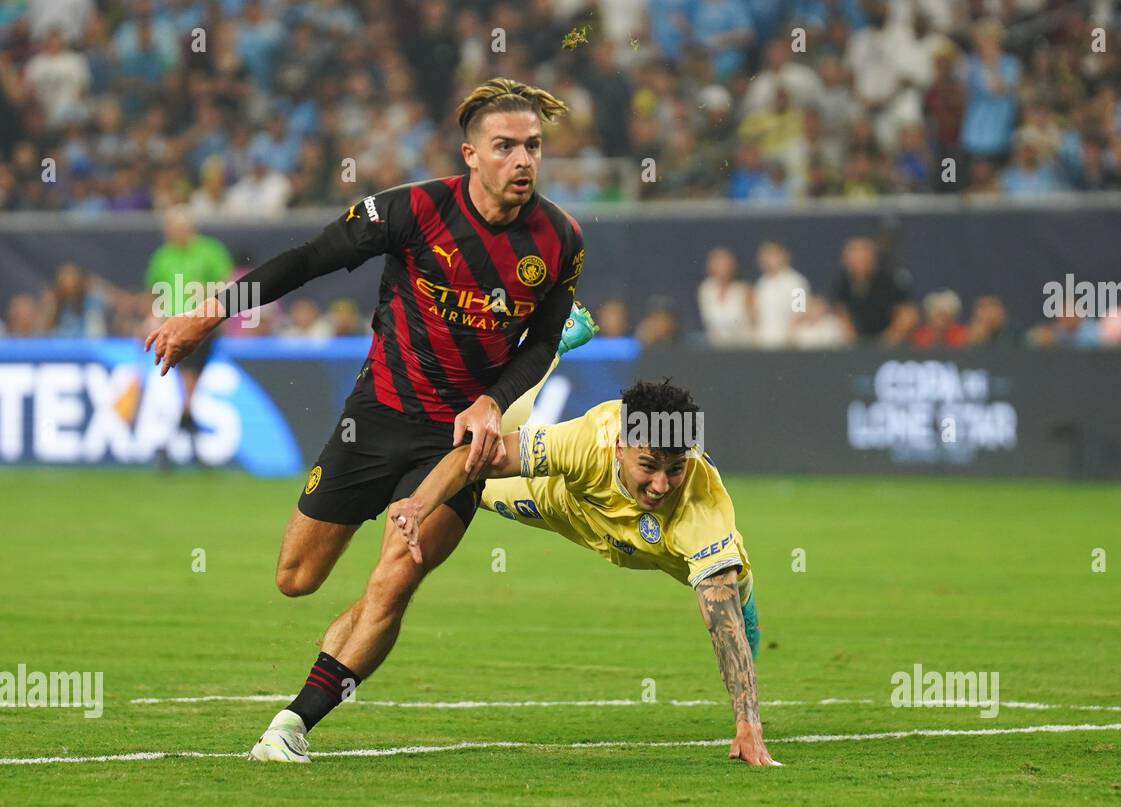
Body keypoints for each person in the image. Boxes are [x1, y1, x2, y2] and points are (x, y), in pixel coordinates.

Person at [143, 78, 591, 761]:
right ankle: (348, 638)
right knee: (297, 578)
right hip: (375, 417)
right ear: (470, 153)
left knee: (395, 578)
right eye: (504, 147)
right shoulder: (411, 210)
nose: (522, 160)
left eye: (532, 146)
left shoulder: (560, 239)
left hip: (456, 443)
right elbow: (308, 260)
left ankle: (294, 724)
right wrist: (209, 312)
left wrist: (493, 401)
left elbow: (540, 344)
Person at [388, 379, 779, 766]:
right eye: (649, 466)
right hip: (564, 506)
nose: (661, 485)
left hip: (664, 543)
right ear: (621, 448)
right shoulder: (588, 439)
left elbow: (720, 623)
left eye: (675, 468)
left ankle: (749, 606)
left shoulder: (701, 505)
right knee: (470, 477)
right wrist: (418, 505)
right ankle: (555, 349)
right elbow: (476, 457)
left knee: (732, 590)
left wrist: (749, 726)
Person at [143, 205, 235, 445]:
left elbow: (227, 285)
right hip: (171, 326)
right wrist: (153, 317)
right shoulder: (163, 256)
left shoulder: (211, 251)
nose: (167, 233)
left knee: (187, 373)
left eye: (171, 228)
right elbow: (153, 292)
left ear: (186, 228)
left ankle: (182, 420)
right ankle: (186, 417)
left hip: (203, 324)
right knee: (187, 374)